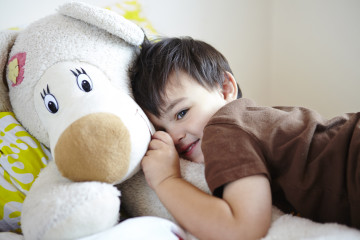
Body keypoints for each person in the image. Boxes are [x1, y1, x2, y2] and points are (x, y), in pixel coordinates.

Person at [129, 36, 360, 240]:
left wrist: (167, 180)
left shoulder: (224, 127)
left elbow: (242, 229)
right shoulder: (255, 123)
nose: (174, 137)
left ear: (225, 88)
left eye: (181, 113)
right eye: (162, 130)